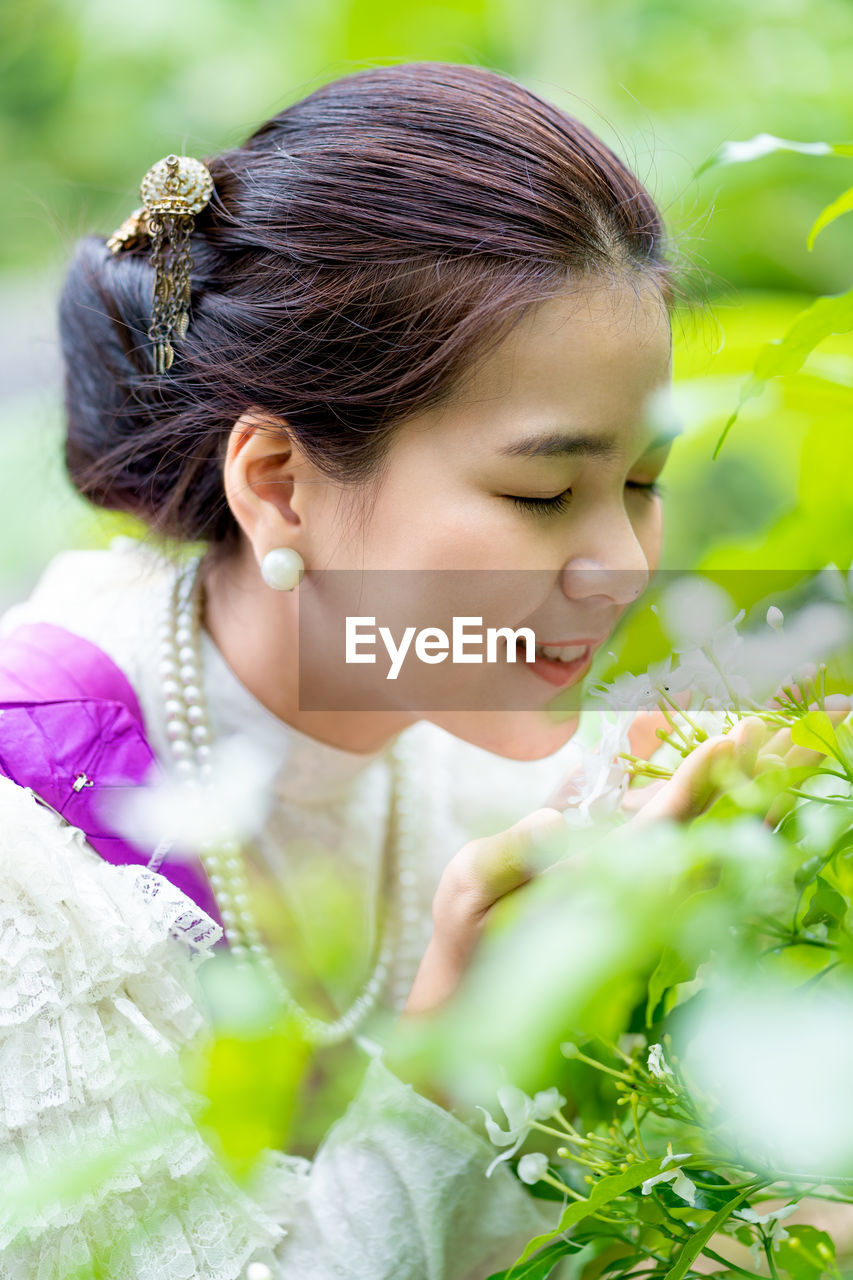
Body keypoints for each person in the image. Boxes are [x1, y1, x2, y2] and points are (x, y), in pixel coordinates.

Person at [0, 60, 753, 1280]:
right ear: (280, 483)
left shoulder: (498, 761)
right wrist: (456, 1051)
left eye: (643, 484)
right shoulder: (32, 857)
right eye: (543, 492)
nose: (617, 563)